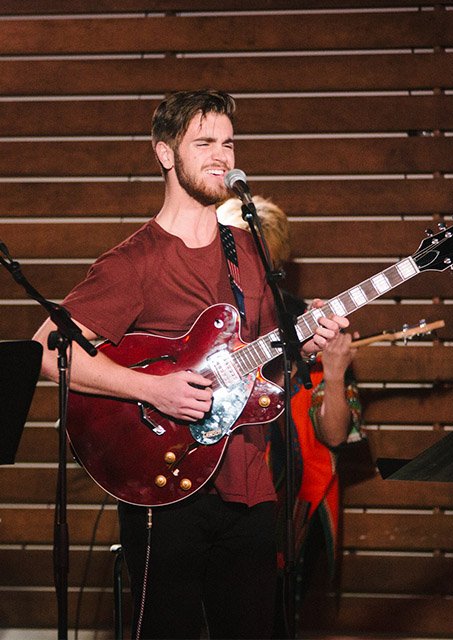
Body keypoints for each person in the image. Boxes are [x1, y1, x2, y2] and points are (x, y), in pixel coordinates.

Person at [32, 90, 348, 640]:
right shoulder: (135, 261)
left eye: (228, 143)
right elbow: (46, 350)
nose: (221, 156)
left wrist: (312, 342)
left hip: (251, 487)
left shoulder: (250, 251)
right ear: (164, 154)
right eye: (204, 143)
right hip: (165, 490)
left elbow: (267, 364)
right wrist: (153, 389)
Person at [217, 196, 363, 628]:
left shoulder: (303, 318)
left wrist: (334, 374)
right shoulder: (199, 316)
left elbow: (335, 436)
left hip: (282, 502)